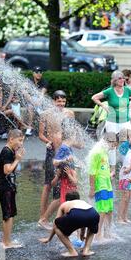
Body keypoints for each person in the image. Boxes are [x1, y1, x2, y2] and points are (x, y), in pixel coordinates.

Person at [38, 90, 75, 229]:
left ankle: (52, 216)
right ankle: (43, 218)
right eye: (58, 101)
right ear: (53, 101)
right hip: (51, 151)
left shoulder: (70, 114)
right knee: (48, 184)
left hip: (64, 152)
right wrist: (47, 141)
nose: (61, 104)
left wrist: (71, 145)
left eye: (63, 101)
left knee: (62, 185)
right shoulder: (45, 114)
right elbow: (41, 135)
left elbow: (71, 132)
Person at [39, 192, 99, 257]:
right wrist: (82, 234)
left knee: (57, 226)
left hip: (76, 214)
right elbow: (84, 218)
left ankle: (72, 252)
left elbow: (56, 223)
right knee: (92, 229)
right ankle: (86, 250)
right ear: (78, 198)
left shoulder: (65, 204)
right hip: (93, 214)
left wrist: (49, 238)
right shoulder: (82, 202)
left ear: (66, 200)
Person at [0, 129, 25, 249]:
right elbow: (7, 171)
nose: (21, 143)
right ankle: (6, 243)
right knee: (7, 215)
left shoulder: (11, 150)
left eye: (22, 141)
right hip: (5, 187)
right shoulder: (6, 151)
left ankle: (7, 240)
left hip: (10, 186)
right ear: (11, 139)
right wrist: (17, 159)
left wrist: (17, 157)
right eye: (20, 140)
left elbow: (13, 169)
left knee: (10, 214)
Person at [88, 132, 117, 241]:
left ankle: (108, 233)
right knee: (102, 209)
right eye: (113, 144)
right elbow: (92, 172)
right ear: (108, 142)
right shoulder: (97, 153)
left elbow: (102, 169)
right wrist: (92, 188)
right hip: (100, 185)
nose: (114, 147)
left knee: (109, 209)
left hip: (107, 184)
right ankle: (98, 234)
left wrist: (110, 175)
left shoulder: (105, 152)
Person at [26, 66, 49, 135]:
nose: (39, 74)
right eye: (37, 72)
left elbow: (42, 93)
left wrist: (39, 101)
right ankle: (29, 128)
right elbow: (25, 92)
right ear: (33, 73)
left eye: (40, 72)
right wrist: (32, 102)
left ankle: (45, 128)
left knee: (43, 110)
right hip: (30, 100)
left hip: (40, 101)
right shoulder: (29, 80)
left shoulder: (44, 82)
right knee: (30, 108)